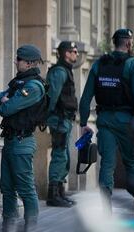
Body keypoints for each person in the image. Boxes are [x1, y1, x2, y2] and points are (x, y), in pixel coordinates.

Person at [79, 28, 134, 215]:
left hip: (105, 121)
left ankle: (105, 211)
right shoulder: (133, 65)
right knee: (131, 164)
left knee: (107, 165)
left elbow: (85, 99)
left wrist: (83, 123)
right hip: (127, 122)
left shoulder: (99, 64)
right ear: (128, 43)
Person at [0, 44, 46, 231]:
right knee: (7, 188)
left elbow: (6, 108)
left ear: (30, 63)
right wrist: (5, 99)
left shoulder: (33, 86)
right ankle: (9, 224)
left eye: (19, 59)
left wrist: (5, 101)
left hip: (22, 142)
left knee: (25, 189)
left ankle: (30, 226)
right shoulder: (19, 82)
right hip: (11, 141)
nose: (15, 61)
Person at [46, 41, 79, 207]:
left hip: (64, 120)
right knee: (59, 156)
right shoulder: (59, 71)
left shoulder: (65, 70)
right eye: (74, 51)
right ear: (66, 53)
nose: (76, 54)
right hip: (59, 120)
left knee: (64, 157)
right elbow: (52, 96)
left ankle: (60, 192)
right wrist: (47, 117)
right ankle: (53, 195)